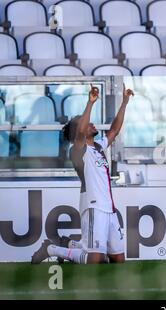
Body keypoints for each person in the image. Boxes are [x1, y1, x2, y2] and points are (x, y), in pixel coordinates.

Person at [31, 83, 134, 264]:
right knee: (95, 260)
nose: (92, 124)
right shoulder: (78, 149)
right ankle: (51, 248)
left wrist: (124, 103)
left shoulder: (99, 146)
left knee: (118, 260)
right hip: (94, 207)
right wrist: (90, 103)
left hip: (109, 209)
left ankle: (69, 243)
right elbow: (79, 133)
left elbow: (114, 130)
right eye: (87, 124)